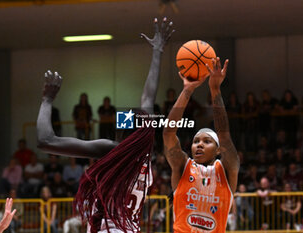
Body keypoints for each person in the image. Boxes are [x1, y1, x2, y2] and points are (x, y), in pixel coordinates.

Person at [36, 18, 174, 233]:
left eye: (121, 125)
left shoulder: (112, 149)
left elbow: (46, 140)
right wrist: (157, 51)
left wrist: (47, 101)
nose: (116, 128)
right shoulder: (145, 155)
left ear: (125, 133)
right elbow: (148, 99)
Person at [163, 57, 239, 232]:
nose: (199, 145)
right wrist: (187, 91)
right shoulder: (183, 165)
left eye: (207, 142)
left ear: (218, 149)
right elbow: (168, 133)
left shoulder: (227, 170)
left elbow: (225, 136)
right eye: (196, 141)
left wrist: (215, 89)